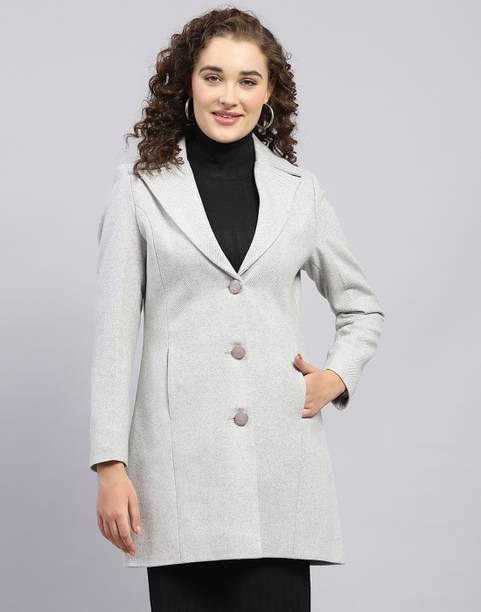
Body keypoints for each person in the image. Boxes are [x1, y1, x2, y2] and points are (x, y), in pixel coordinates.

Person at [89, 7, 385, 612]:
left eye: (248, 80)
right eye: (213, 77)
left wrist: (336, 377)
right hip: (178, 476)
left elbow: (361, 307)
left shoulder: (299, 192)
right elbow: (114, 338)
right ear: (187, 82)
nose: (229, 96)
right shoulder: (140, 189)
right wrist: (109, 465)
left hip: (280, 474)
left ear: (268, 92)